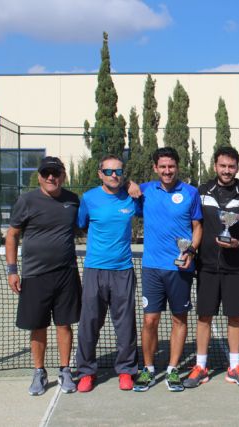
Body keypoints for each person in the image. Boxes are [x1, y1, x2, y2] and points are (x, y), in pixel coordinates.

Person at [183, 146, 239, 388]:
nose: (227, 170)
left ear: (237, 167)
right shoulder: (202, 191)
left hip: (235, 267)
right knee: (204, 316)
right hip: (206, 266)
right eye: (223, 166)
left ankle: (234, 366)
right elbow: (194, 224)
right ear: (215, 166)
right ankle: (201, 366)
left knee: (234, 317)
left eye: (231, 166)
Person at [5, 156, 80, 395]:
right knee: (37, 326)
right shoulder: (26, 201)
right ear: (39, 176)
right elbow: (12, 235)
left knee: (64, 324)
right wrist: (12, 270)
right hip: (35, 276)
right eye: (46, 173)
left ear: (63, 175)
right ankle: (39, 372)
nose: (51, 177)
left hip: (66, 273)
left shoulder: (73, 200)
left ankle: (65, 370)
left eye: (55, 173)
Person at [132, 147, 203, 392]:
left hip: (180, 268)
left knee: (178, 318)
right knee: (150, 319)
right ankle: (148, 369)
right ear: (155, 168)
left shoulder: (191, 193)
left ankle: (173, 370)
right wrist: (129, 184)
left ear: (177, 167)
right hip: (152, 267)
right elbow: (114, 184)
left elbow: (197, 227)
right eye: (162, 166)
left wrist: (191, 251)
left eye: (171, 166)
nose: (167, 171)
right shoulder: (144, 191)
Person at [75, 154, 141, 393]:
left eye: (119, 172)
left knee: (125, 325)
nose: (115, 175)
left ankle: (126, 371)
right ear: (100, 174)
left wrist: (133, 184)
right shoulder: (89, 198)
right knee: (89, 323)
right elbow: (82, 223)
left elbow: (148, 202)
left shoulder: (132, 197)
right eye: (110, 171)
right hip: (95, 270)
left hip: (123, 271)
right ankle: (85, 372)